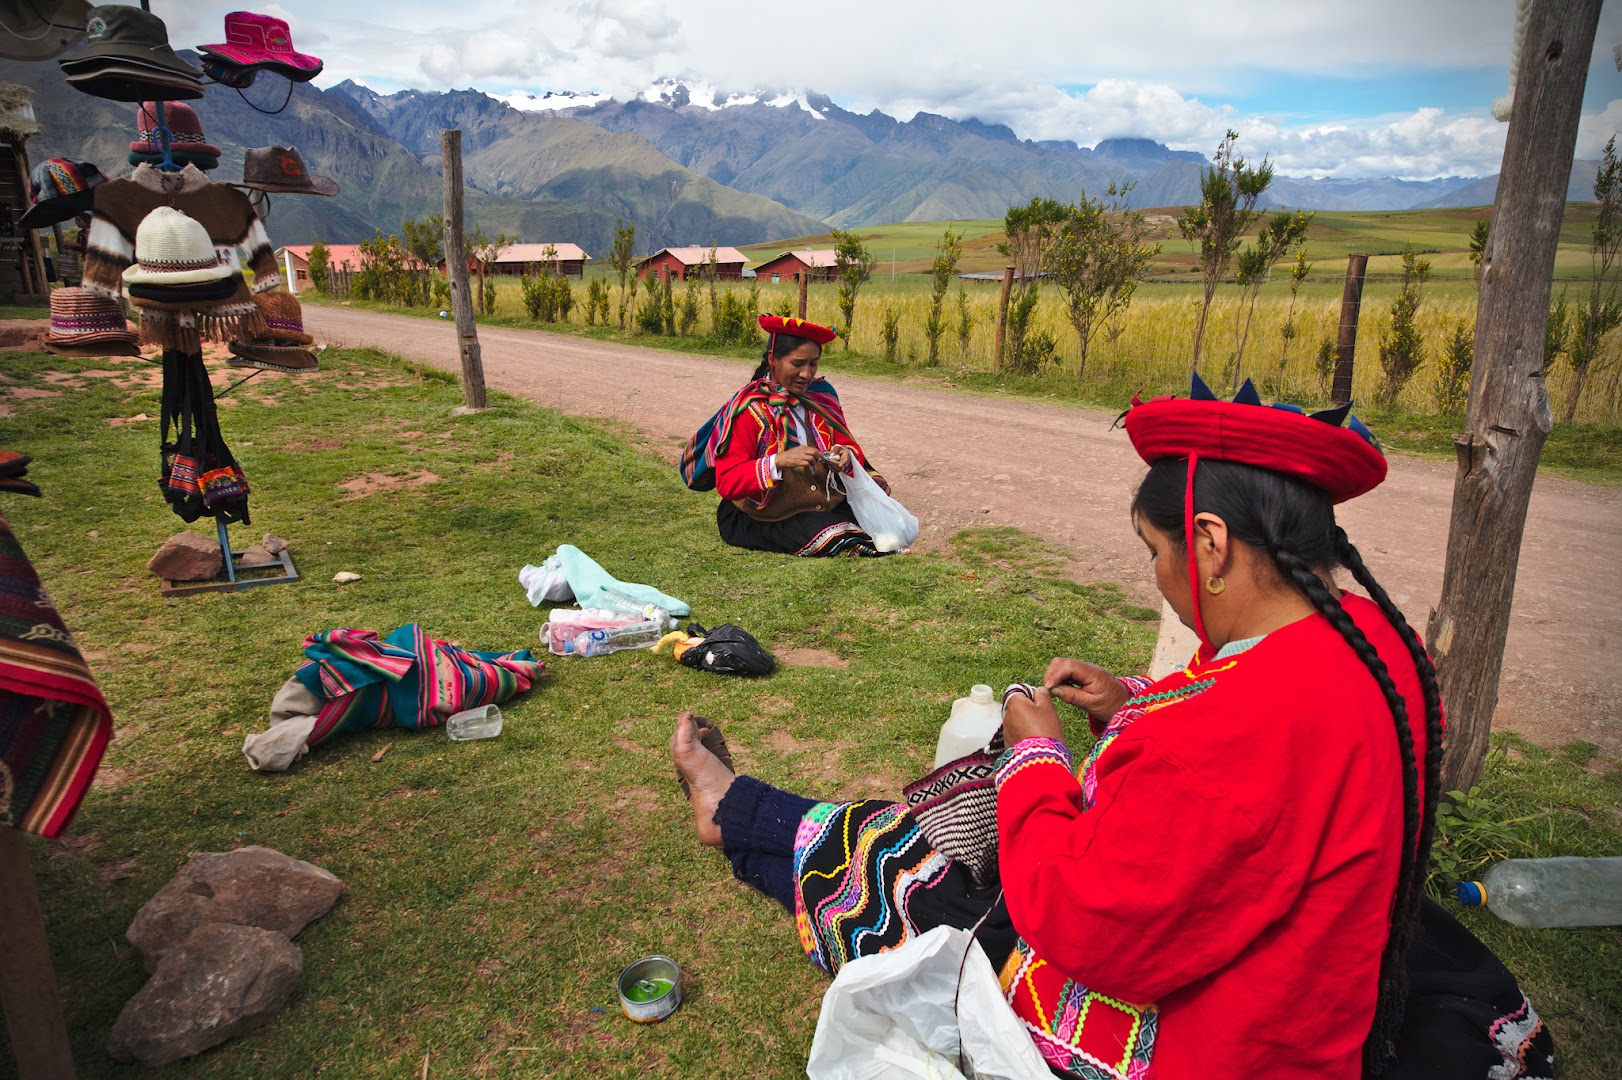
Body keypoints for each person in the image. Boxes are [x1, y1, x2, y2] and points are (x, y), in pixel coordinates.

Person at [670, 375, 1451, 1079]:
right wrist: (1128, 700)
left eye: (1155, 551)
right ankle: (738, 808)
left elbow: (1085, 923)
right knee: (916, 842)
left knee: (907, 874)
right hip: (1311, 998)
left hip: (1209, 1044)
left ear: (1211, 544)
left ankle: (733, 811)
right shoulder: (1377, 646)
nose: (1158, 575)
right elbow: (1241, 708)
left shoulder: (1217, 743)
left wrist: (1036, 757)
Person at [685, 315, 892, 558]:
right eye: (798, 363)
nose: (807, 374)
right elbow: (727, 481)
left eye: (813, 364)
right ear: (773, 359)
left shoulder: (822, 398)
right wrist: (779, 461)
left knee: (885, 525)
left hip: (822, 504)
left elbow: (848, 445)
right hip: (767, 515)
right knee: (837, 537)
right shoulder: (750, 410)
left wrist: (845, 455)